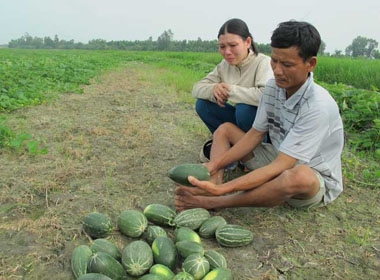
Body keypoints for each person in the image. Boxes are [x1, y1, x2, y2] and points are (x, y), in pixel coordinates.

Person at [175, 20, 344, 211]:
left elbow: (283, 165)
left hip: (308, 177)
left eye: (287, 64)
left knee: (298, 176)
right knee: (224, 130)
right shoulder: (273, 87)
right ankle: (213, 183)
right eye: (274, 60)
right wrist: (213, 166)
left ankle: (216, 201)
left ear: (311, 64)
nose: (277, 71)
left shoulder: (318, 106)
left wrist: (225, 191)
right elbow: (255, 134)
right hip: (278, 156)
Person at [193, 18, 273, 162]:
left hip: (261, 129)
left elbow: (266, 96)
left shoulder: (263, 62)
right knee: (202, 105)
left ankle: (255, 155)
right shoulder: (224, 66)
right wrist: (214, 89)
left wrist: (230, 91)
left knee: (244, 109)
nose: (227, 52)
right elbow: (197, 88)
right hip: (239, 124)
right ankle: (229, 148)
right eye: (222, 46)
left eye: (233, 45)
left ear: (248, 42)